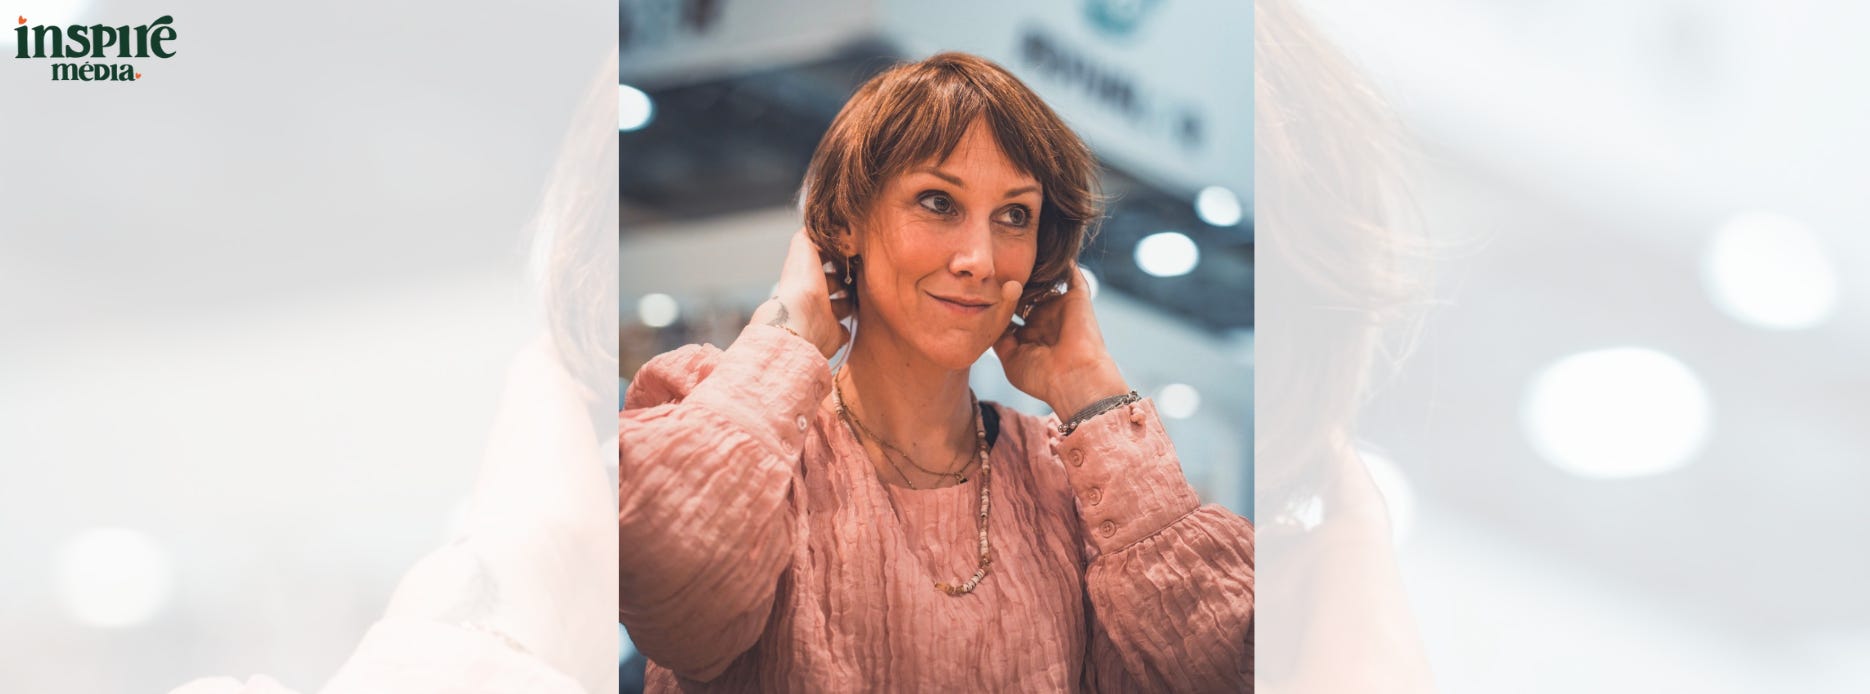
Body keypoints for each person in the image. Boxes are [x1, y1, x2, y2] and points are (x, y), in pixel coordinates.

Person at [619, 52, 1254, 691]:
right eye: (938, 202)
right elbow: (657, 575)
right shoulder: (755, 444)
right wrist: (789, 332)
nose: (981, 259)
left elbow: (1230, 666)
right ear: (843, 224)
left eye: (1015, 216)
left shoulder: (1072, 489)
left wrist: (1091, 390)